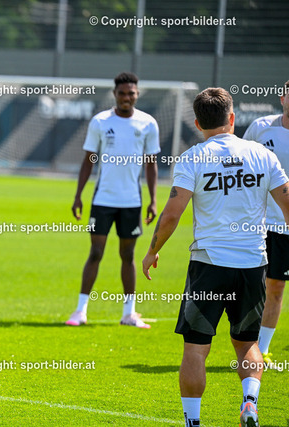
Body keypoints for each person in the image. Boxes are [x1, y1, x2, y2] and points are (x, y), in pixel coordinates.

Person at [142, 87, 289, 427]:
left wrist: (152, 251)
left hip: (208, 265)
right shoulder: (261, 154)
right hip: (253, 264)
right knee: (247, 343)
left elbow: (172, 214)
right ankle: (249, 402)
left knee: (196, 348)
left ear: (197, 123)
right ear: (232, 118)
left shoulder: (192, 158)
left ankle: (193, 422)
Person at [66, 72, 160, 328]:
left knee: (128, 255)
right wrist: (78, 196)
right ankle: (80, 311)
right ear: (114, 94)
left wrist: (153, 200)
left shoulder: (148, 124)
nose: (126, 98)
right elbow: (89, 160)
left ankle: (129, 314)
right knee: (96, 252)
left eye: (131, 93)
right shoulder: (100, 121)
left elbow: (151, 164)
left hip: (131, 201)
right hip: (103, 200)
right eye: (122, 93)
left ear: (137, 94)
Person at [242, 80, 289, 369]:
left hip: (285, 225)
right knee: (249, 284)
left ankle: (263, 349)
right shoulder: (261, 128)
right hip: (254, 223)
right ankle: (243, 342)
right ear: (283, 98)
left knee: (276, 287)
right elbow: (239, 161)